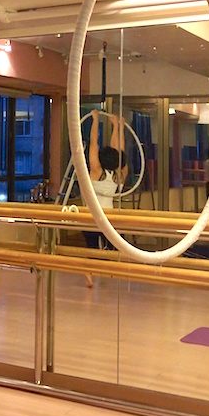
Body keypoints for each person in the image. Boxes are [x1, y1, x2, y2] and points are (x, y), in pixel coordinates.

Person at [83, 110, 128, 287]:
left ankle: (91, 271)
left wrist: (95, 120)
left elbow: (93, 144)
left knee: (93, 246)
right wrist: (118, 127)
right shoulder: (119, 175)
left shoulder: (96, 172)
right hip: (110, 216)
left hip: (92, 216)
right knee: (113, 245)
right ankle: (107, 268)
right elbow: (120, 152)